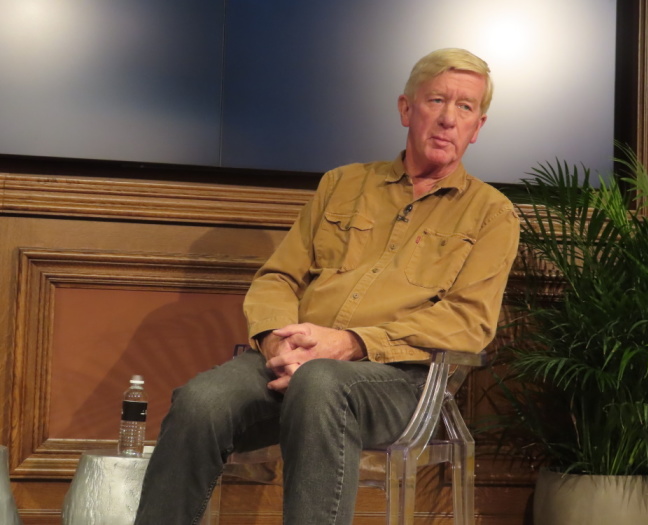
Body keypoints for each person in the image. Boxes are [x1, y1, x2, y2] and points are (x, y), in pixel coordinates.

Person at [134, 47, 520, 525]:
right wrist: (280, 343)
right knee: (201, 401)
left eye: (465, 107)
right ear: (406, 109)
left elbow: (469, 322)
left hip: (402, 381)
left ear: (478, 127)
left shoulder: (492, 213)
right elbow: (278, 277)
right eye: (436, 100)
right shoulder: (342, 185)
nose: (448, 119)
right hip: (293, 360)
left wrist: (352, 344)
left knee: (320, 383)